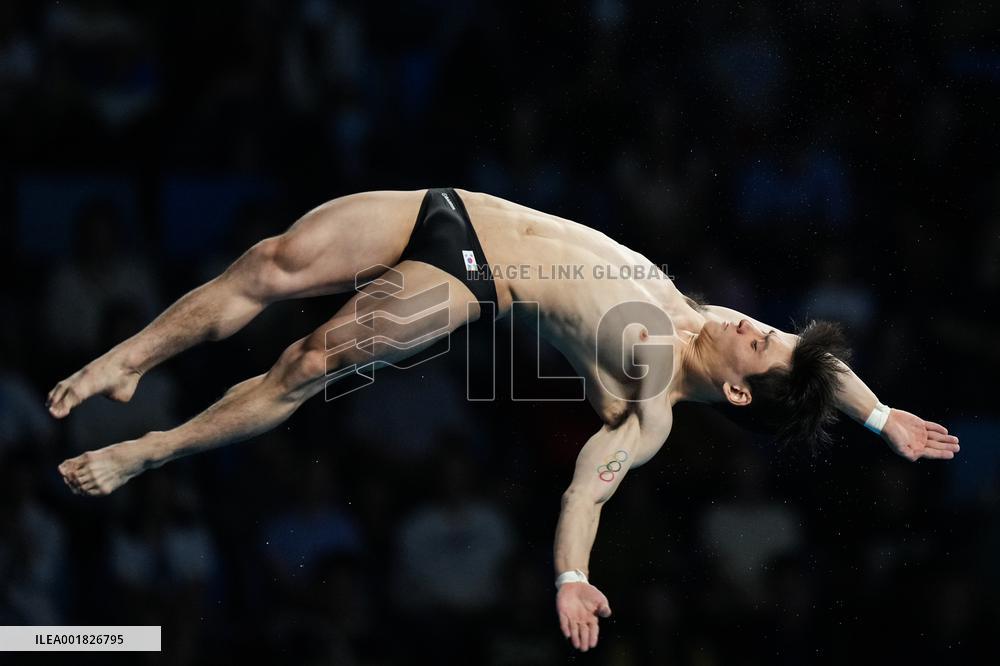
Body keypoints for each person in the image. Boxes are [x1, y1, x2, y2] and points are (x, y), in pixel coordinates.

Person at [47, 187, 960, 652]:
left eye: (755, 345)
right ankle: (130, 359)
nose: (748, 324)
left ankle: (151, 450)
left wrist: (570, 576)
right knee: (270, 260)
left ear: (735, 393)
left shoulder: (646, 409)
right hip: (452, 208)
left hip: (473, 283)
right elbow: (820, 366)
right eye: (765, 327)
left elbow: (586, 495)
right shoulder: (700, 319)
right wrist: (882, 421)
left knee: (305, 364)